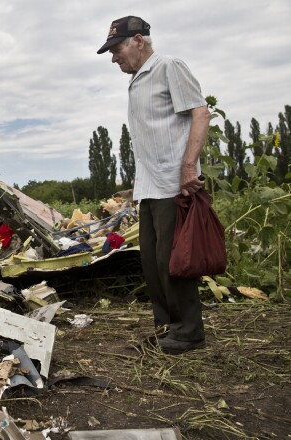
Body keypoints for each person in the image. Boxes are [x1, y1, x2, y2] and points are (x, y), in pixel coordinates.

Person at [97, 16, 211, 354]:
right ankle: (167, 328)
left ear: (139, 41)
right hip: (150, 186)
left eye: (117, 49)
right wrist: (136, 184)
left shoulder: (168, 67)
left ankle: (189, 333)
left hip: (174, 185)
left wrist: (189, 167)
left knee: (173, 262)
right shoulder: (136, 80)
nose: (113, 57)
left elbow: (200, 113)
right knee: (152, 261)